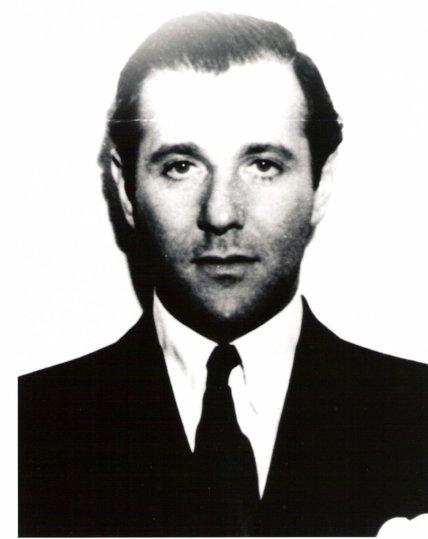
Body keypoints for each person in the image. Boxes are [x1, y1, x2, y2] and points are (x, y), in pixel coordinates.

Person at [18, 12, 428, 537]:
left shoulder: (417, 417)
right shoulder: (27, 427)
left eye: (263, 165)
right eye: (180, 166)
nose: (220, 213)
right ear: (125, 189)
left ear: (321, 182)